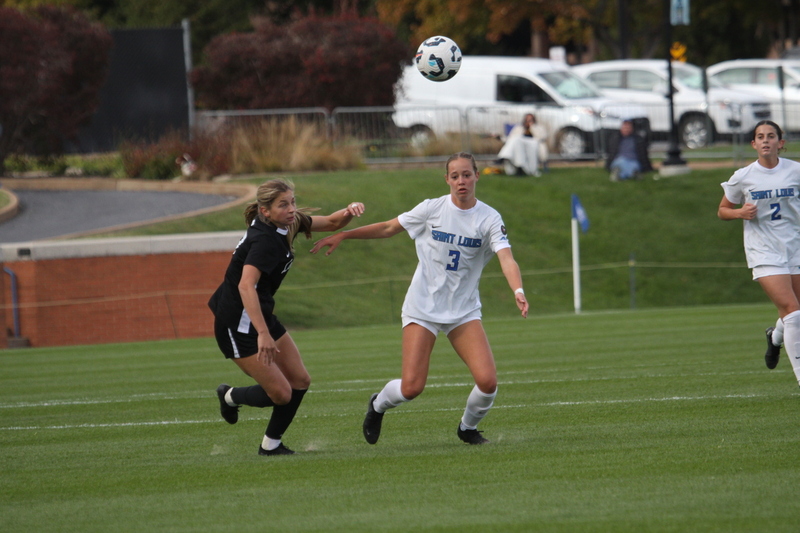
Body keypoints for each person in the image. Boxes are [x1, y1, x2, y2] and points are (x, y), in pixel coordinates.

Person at [311, 152, 529, 445]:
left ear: (477, 176)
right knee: (412, 387)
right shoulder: (431, 209)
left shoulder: (489, 218)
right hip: (423, 307)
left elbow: (506, 258)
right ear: (447, 180)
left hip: (462, 311)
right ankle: (377, 405)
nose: (461, 181)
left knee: (488, 382)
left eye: (467, 175)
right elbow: (389, 228)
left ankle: (467, 429)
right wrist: (345, 235)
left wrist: (518, 290)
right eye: (455, 176)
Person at [209, 178, 365, 455]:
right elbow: (246, 286)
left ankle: (271, 445)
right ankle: (230, 395)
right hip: (236, 321)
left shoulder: (286, 222)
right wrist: (264, 335)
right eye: (284, 205)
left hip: (259, 311)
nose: (292, 209)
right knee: (281, 393)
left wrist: (349, 210)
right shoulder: (265, 240)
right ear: (265, 210)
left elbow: (330, 222)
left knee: (300, 381)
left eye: (292, 201)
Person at [718, 120, 800, 387]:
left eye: (771, 136)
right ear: (754, 144)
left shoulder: (795, 171)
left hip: (795, 247)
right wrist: (739, 212)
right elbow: (722, 210)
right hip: (764, 251)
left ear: (781, 142)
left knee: (795, 314)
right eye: (760, 137)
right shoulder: (744, 176)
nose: (766, 140)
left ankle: (774, 337)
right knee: (793, 312)